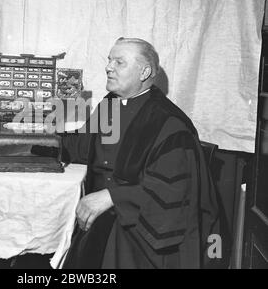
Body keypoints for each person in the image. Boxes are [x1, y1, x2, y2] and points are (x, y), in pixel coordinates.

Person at [59, 37, 223, 269]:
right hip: (99, 215)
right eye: (109, 60)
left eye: (119, 62)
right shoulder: (112, 105)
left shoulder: (169, 124)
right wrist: (35, 143)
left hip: (140, 232)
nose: (108, 67)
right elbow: (83, 147)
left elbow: (172, 194)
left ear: (144, 72)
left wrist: (112, 197)